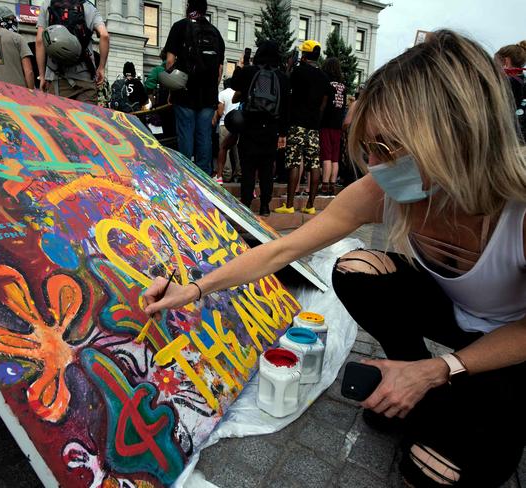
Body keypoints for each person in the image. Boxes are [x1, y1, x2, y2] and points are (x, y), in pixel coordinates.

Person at [144, 30, 526, 488]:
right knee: (356, 270)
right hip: (451, 316)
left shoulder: (518, 209)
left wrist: (441, 368)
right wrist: (195, 288)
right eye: (369, 148)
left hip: (512, 341)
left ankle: (431, 384)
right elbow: (283, 249)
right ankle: (411, 382)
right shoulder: (383, 190)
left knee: (431, 473)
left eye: (388, 148)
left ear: (454, 135)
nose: (375, 164)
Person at [163, 0, 225, 175]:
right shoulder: (216, 33)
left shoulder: (179, 27)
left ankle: (185, 176)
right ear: (205, 10)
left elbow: (169, 62)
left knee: (185, 135)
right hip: (207, 95)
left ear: (188, 6)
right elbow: (219, 70)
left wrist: (171, 90)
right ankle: (204, 178)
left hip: (184, 92)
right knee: (204, 136)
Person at [231, 40, 289, 216]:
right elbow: (286, 107)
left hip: (249, 126)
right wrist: (283, 132)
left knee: (248, 168)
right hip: (271, 129)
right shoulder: (282, 78)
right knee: (266, 169)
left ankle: (246, 202)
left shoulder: (250, 72)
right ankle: (265, 205)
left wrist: (241, 66)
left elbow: (233, 84)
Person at [274, 40, 331, 215]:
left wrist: (289, 67)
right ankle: (310, 205)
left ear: (304, 55)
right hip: (313, 128)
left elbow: (286, 93)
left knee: (294, 163)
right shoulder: (324, 77)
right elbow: (323, 105)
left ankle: (290, 205)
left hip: (296, 125)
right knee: (314, 164)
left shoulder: (297, 72)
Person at [36, 0, 110, 103]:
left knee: (59, 118)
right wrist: (101, 68)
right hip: (86, 80)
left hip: (57, 80)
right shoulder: (89, 7)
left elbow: (40, 41)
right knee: (86, 118)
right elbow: (104, 36)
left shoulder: (48, 4)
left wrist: (42, 76)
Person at [0, 7, 34, 89]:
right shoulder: (17, 38)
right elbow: (29, 72)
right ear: (1, 20)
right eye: (11, 19)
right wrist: (31, 93)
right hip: (18, 93)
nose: (14, 22)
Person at [318, 57, 346, 197]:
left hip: (327, 124)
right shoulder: (343, 86)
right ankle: (332, 186)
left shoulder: (327, 84)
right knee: (335, 157)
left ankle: (324, 186)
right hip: (338, 125)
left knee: (326, 155)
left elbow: (323, 105)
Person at [496, 41, 526, 142]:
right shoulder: (521, 80)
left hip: (512, 137)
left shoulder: (509, 82)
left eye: (495, 63)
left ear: (506, 62)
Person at [212, 77, 240, 184]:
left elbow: (220, 111)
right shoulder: (237, 93)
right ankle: (239, 173)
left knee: (224, 150)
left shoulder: (222, 94)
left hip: (225, 124)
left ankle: (226, 174)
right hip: (237, 124)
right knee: (237, 150)